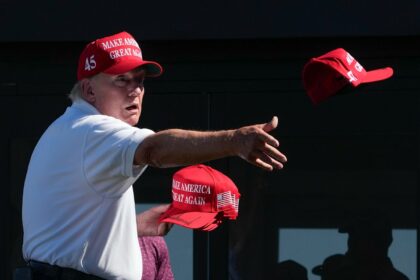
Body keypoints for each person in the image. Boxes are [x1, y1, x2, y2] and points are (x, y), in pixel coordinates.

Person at [21, 31, 287, 280]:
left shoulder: (68, 129)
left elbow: (67, 233)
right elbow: (153, 150)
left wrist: (128, 228)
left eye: (140, 81)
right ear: (89, 90)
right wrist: (235, 141)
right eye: (121, 80)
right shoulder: (93, 131)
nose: (135, 90)